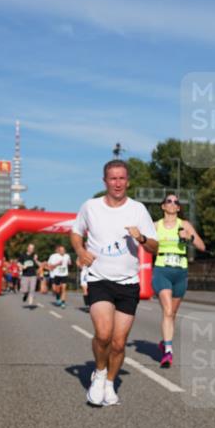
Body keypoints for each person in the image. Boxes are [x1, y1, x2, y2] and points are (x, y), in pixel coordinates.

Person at [71, 159, 158, 407]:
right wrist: (79, 250)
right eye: (113, 178)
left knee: (119, 343)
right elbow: (76, 231)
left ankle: (110, 382)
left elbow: (154, 247)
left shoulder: (138, 210)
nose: (117, 183)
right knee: (103, 334)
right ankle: (98, 373)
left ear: (127, 181)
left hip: (128, 283)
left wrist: (140, 237)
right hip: (99, 278)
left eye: (122, 178)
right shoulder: (91, 207)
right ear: (105, 181)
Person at [152, 193, 205, 368]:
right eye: (169, 201)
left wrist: (188, 237)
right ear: (163, 206)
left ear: (178, 208)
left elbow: (202, 246)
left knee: (172, 314)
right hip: (162, 270)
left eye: (176, 202)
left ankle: (164, 341)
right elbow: (145, 245)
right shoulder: (155, 226)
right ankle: (168, 351)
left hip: (180, 271)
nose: (173, 204)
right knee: (167, 311)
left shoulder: (185, 225)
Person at [47, 244, 73, 308]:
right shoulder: (55, 256)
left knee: (64, 289)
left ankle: (63, 303)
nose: (62, 251)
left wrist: (69, 263)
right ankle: (58, 298)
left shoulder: (67, 256)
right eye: (61, 250)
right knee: (57, 290)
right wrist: (57, 264)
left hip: (64, 274)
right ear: (59, 251)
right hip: (57, 275)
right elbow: (50, 266)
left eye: (63, 250)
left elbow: (70, 263)